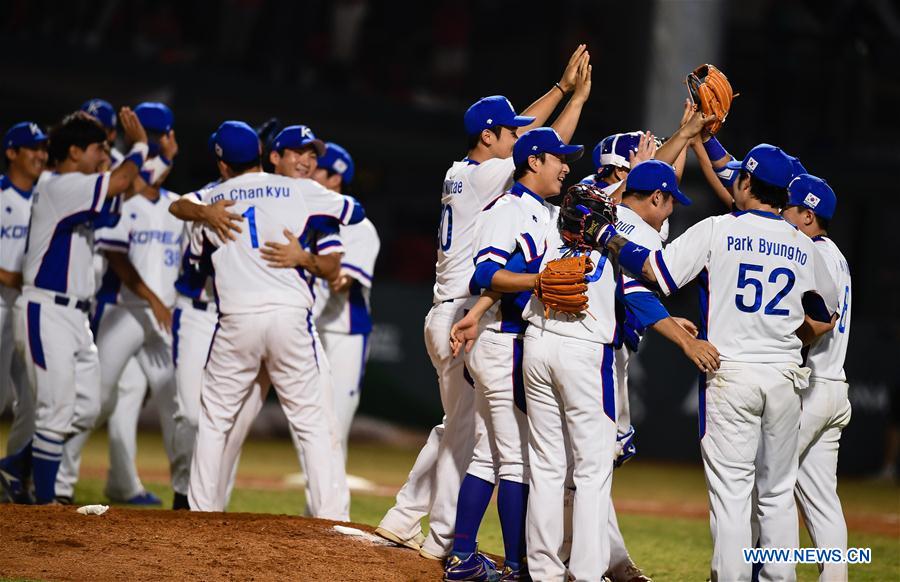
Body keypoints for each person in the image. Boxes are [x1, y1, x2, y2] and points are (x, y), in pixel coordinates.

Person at [375, 44, 593, 561]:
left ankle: (407, 518)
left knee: (460, 430)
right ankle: (440, 541)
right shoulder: (483, 174)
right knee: (476, 443)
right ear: (488, 137)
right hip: (464, 310)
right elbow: (543, 148)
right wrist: (570, 96)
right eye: (509, 130)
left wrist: (563, 91)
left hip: (452, 309)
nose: (519, 136)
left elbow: (535, 142)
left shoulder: (463, 171)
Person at [590, 143, 840, 581]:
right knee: (778, 494)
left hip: (731, 374)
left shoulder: (718, 229)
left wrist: (605, 236)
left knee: (732, 496)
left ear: (746, 183)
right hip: (784, 377)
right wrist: (784, 335)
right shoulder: (806, 246)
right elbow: (823, 315)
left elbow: (656, 271)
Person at [184, 121, 362, 517]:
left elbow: (191, 259)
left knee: (215, 421)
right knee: (314, 423)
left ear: (222, 160)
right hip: (289, 319)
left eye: (312, 155)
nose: (307, 161)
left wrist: (204, 214)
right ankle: (331, 519)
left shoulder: (212, 197)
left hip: (235, 319)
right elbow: (356, 210)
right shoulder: (305, 192)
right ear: (269, 156)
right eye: (298, 153)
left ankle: (201, 513)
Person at [13, 108, 149, 504]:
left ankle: (17, 467)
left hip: (75, 316)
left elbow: (119, 191)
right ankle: (44, 502)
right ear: (74, 152)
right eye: (97, 149)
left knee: (87, 408)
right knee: (55, 410)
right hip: (47, 310)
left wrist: (115, 164)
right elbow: (123, 179)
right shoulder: (59, 183)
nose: (102, 155)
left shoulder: (77, 186)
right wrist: (139, 146)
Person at [54, 103, 181, 505]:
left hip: (162, 317)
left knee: (174, 403)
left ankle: (183, 493)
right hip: (122, 309)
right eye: (157, 137)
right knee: (97, 398)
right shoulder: (122, 198)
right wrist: (154, 300)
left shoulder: (177, 205)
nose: (163, 144)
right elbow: (119, 258)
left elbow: (152, 183)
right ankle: (57, 481)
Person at [782, 174, 852, 582]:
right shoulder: (835, 254)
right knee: (822, 500)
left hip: (812, 388)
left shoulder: (813, 252)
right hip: (834, 387)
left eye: (788, 209)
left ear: (807, 215)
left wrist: (782, 341)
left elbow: (823, 322)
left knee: (768, 486)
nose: (782, 214)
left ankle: (770, 573)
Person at [311, 142, 381, 457]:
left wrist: (302, 260)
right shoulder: (304, 218)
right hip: (307, 331)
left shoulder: (359, 227)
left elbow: (341, 282)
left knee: (335, 426)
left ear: (336, 178)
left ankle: (330, 507)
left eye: (317, 168)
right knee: (309, 424)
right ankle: (315, 505)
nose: (308, 170)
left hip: (345, 334)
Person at [0, 122, 48, 502]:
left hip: (28, 307)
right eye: (32, 147)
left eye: (44, 148)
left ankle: (12, 474)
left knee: (34, 398)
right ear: (12, 152)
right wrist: (17, 276)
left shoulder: (45, 196)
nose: (40, 155)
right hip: (0, 303)